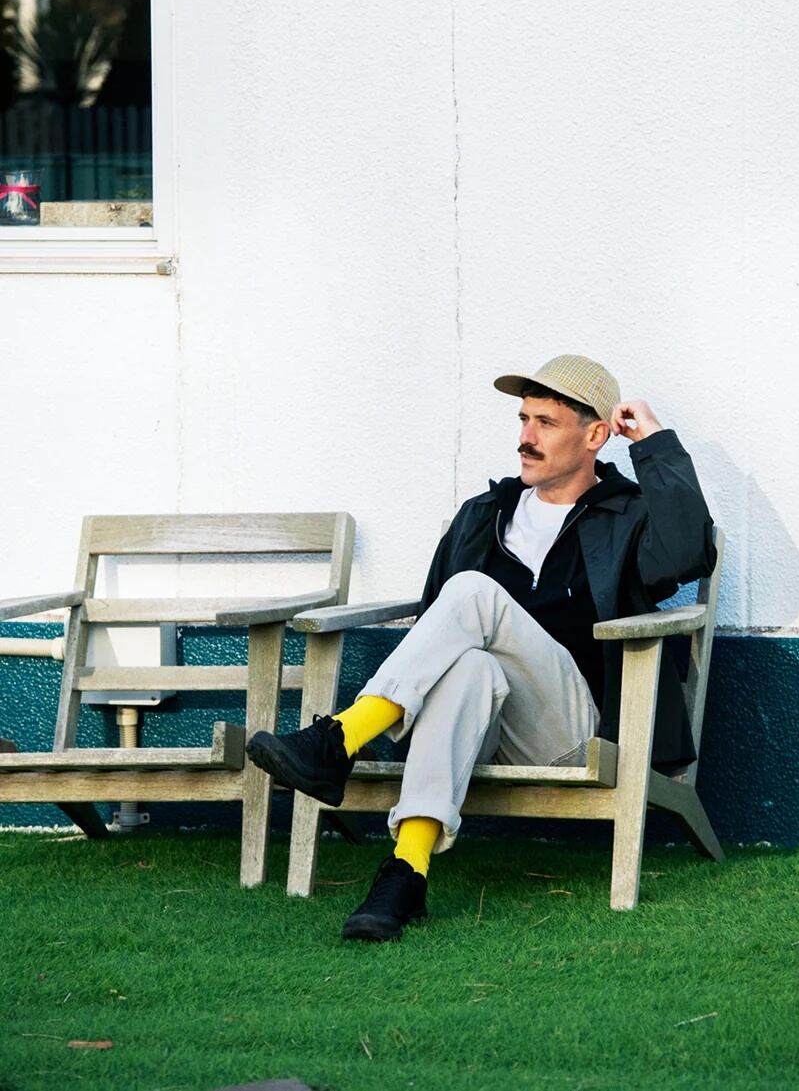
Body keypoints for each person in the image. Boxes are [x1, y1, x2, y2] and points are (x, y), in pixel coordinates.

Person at [246, 354, 716, 941]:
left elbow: (688, 554)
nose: (526, 437)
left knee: (472, 591)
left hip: (572, 731)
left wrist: (653, 440)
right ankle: (405, 874)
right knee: (467, 667)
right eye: (523, 419)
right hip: (481, 720)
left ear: (596, 436)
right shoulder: (483, 515)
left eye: (546, 422)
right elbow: (433, 628)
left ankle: (339, 738)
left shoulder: (627, 514)